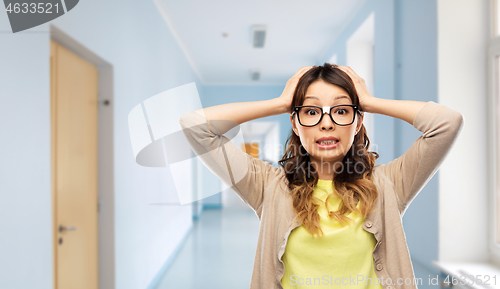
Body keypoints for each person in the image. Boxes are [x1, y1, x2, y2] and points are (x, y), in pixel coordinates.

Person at [178, 63, 464, 289]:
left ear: (358, 120)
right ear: (295, 121)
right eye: (311, 112)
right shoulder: (267, 186)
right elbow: (195, 127)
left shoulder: (388, 184)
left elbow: (447, 123)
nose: (326, 124)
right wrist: (280, 104)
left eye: (341, 111)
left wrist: (368, 100)